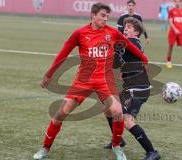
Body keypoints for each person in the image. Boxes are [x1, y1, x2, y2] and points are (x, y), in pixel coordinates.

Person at [33, 3, 149, 160]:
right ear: (93, 15)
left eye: (107, 16)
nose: (105, 19)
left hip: (104, 80)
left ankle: (117, 146)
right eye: (102, 15)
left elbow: (128, 45)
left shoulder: (112, 33)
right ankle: (45, 149)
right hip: (83, 80)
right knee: (60, 114)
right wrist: (49, 75)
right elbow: (63, 53)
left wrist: (144, 59)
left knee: (118, 113)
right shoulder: (80, 33)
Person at [104, 17, 161, 160]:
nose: (125, 29)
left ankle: (152, 152)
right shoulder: (127, 45)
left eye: (129, 27)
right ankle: (118, 140)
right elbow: (116, 62)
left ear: (136, 33)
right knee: (109, 108)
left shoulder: (133, 42)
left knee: (127, 119)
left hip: (139, 88)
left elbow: (117, 46)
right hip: (130, 87)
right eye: (125, 27)